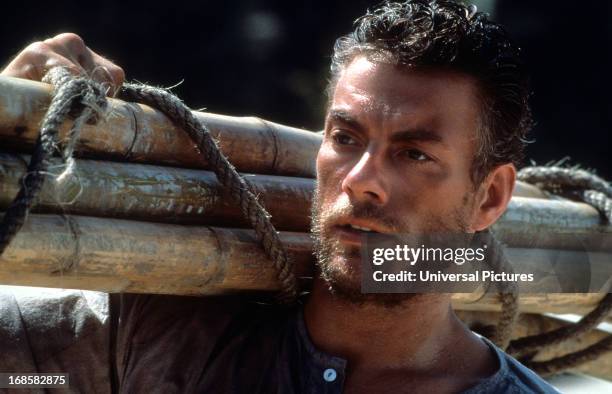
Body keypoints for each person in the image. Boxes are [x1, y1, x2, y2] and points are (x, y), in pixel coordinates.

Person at [0, 1, 560, 393]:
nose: (362, 180)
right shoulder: (155, 335)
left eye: (415, 154)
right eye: (346, 139)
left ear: (489, 198)